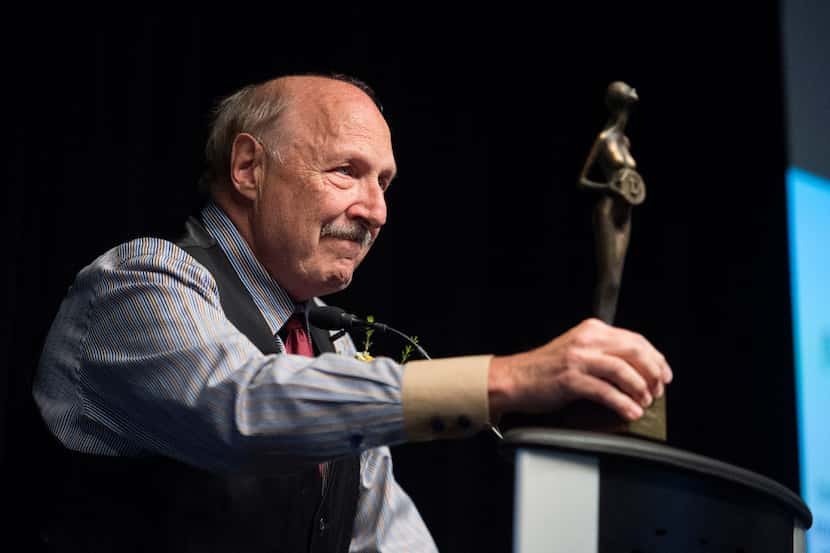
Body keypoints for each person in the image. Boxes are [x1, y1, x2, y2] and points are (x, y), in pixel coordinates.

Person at [33, 73, 673, 552]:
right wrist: (510, 380)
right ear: (249, 167)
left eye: (385, 183)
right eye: (347, 172)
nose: (376, 210)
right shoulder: (137, 283)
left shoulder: (329, 353)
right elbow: (243, 406)